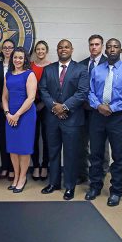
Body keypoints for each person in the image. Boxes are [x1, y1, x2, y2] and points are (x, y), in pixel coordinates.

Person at [85, 38, 122, 206]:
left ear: (120, 50)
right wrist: (98, 105)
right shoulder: (96, 70)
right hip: (97, 116)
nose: (112, 49)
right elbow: (90, 92)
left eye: (116, 47)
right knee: (95, 154)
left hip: (118, 118)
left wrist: (113, 107)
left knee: (119, 156)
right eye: (109, 47)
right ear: (105, 51)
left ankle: (116, 191)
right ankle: (95, 186)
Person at [39, 39, 88, 200]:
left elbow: (82, 93)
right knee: (53, 152)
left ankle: (69, 186)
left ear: (71, 49)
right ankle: (54, 183)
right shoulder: (48, 69)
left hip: (72, 119)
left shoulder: (81, 69)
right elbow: (43, 90)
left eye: (66, 47)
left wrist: (64, 107)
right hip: (52, 118)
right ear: (57, 50)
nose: (63, 49)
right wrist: (55, 107)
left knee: (70, 154)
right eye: (60, 47)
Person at [2, 47, 37, 193]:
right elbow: (4, 97)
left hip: (25, 116)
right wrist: (8, 113)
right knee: (13, 149)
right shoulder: (8, 75)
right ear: (12, 59)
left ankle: (22, 177)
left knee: (24, 149)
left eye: (20, 58)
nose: (17, 60)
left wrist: (17, 115)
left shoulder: (29, 74)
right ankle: (16, 176)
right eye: (15, 57)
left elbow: (31, 98)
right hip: (10, 116)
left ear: (25, 60)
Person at [78, 34, 110, 184]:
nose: (94, 47)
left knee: (101, 145)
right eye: (91, 44)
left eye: (97, 44)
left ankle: (101, 173)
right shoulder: (81, 64)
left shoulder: (109, 63)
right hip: (83, 110)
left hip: (100, 111)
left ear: (102, 46)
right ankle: (83, 173)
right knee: (82, 143)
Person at [0, 39, 16, 181]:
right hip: (0, 108)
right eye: (5, 48)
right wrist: (0, 102)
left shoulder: (18, 66)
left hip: (15, 109)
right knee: (2, 138)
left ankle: (13, 168)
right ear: (2, 50)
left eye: (10, 48)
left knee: (13, 139)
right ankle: (5, 167)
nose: (7, 50)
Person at [30, 40, 51, 181]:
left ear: (46, 51)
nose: (40, 51)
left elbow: (54, 88)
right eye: (38, 49)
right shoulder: (30, 66)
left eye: (43, 49)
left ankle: (45, 165)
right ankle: (36, 165)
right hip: (31, 104)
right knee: (33, 137)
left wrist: (43, 103)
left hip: (47, 105)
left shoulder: (52, 67)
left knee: (47, 137)